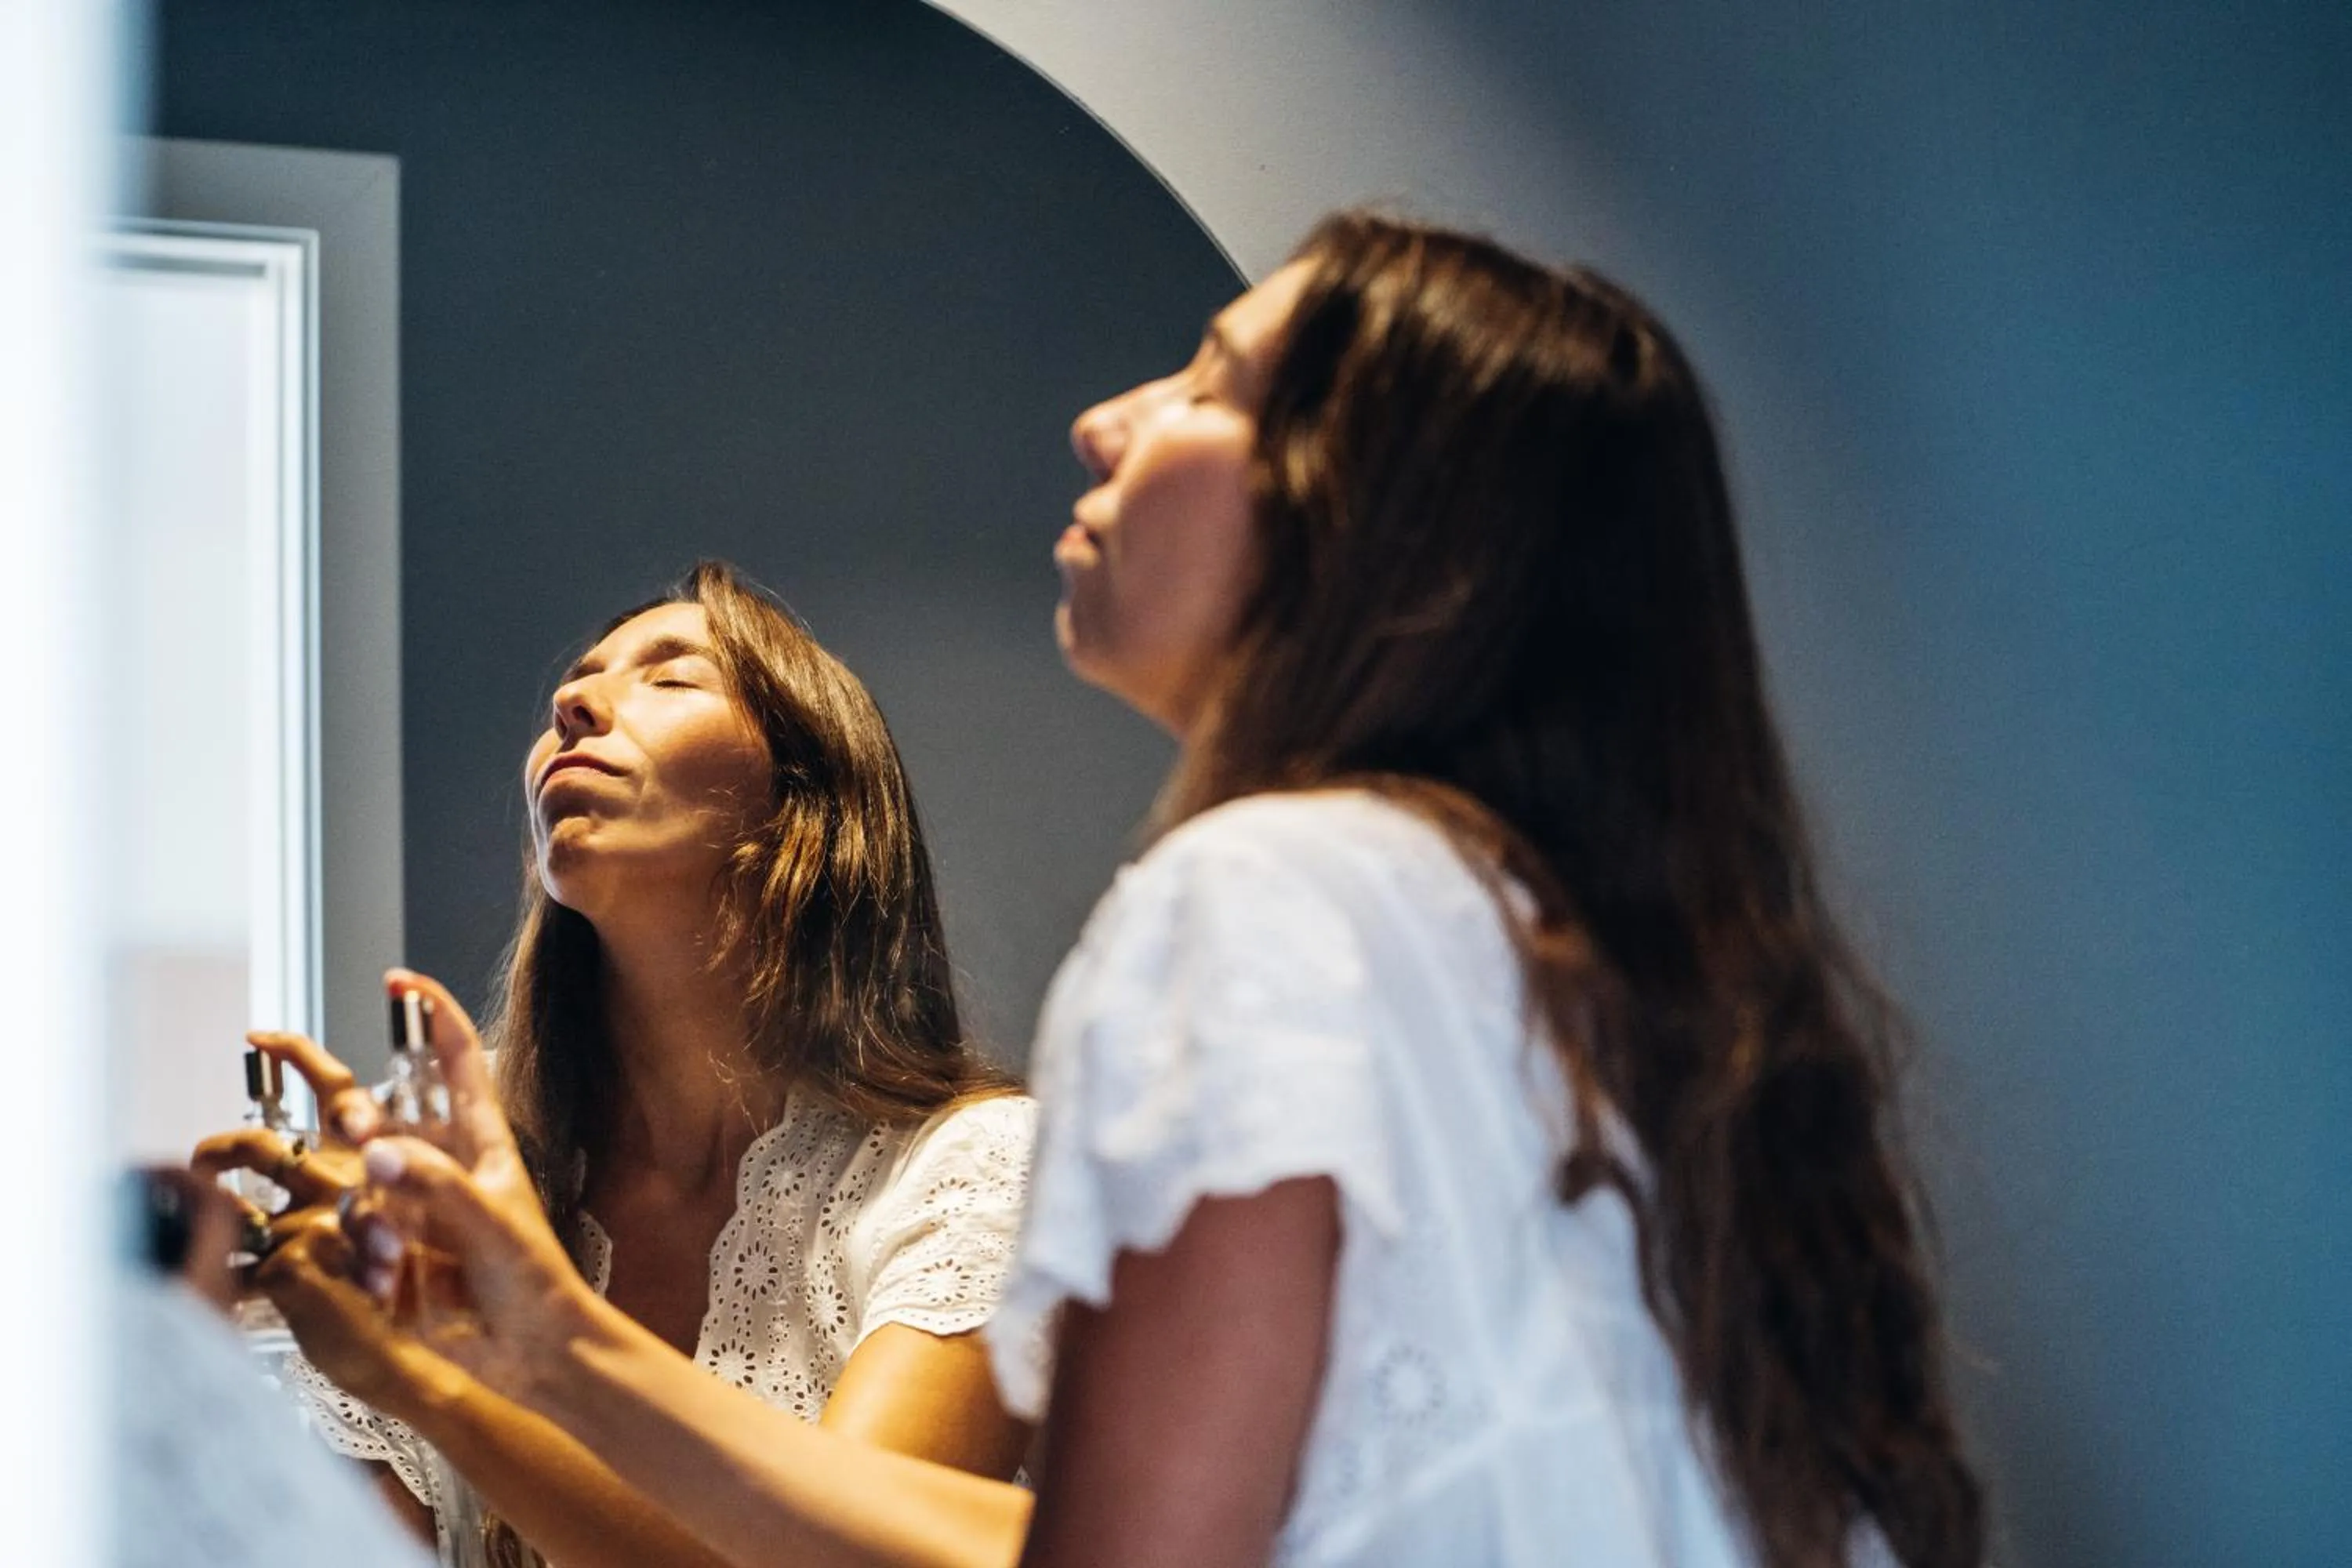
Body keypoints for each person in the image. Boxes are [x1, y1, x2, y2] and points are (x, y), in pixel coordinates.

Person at [276, 212, 1988, 1568]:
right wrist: (526, 1352)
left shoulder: (1263, 904)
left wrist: (517, 1355)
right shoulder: (1520, 928)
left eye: (1212, 382)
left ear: (1375, 520)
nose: (1107, 418)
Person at [198, 561, 1036, 1568]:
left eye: (671, 676)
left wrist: (441, 1374)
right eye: (579, 682)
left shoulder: (974, 1171)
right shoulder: (450, 1171)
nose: (571, 702)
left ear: (803, 800)